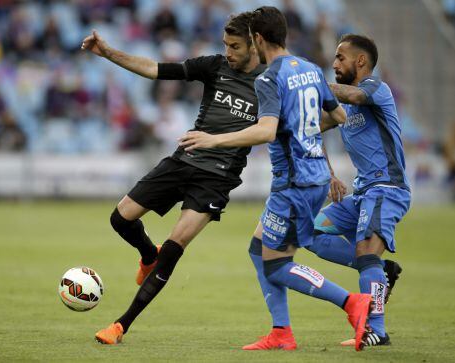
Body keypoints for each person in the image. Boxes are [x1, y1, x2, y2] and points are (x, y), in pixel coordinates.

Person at [180, 6, 372, 352]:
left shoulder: (269, 78)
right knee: (259, 250)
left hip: (294, 184)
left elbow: (267, 131)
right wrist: (305, 135)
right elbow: (339, 114)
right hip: (310, 178)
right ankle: (281, 331)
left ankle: (351, 303)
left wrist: (212, 139)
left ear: (257, 39)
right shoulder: (311, 69)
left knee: (278, 265)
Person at [80, 12, 267, 344]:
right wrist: (109, 53)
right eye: (225, 45)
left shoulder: (270, 80)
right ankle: (147, 255)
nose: (228, 52)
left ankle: (120, 325)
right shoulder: (214, 66)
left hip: (217, 178)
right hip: (183, 160)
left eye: (235, 46)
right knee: (120, 218)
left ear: (255, 43)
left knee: (174, 247)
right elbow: (155, 70)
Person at [306, 34, 411, 347]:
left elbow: (352, 96)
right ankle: (379, 270)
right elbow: (313, 127)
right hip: (363, 194)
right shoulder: (345, 107)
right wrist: (329, 173)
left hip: (386, 190)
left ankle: (376, 329)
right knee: (311, 232)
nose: (335, 64)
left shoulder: (376, 90)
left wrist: (311, 84)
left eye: (341, 58)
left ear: (360, 61)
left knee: (366, 254)